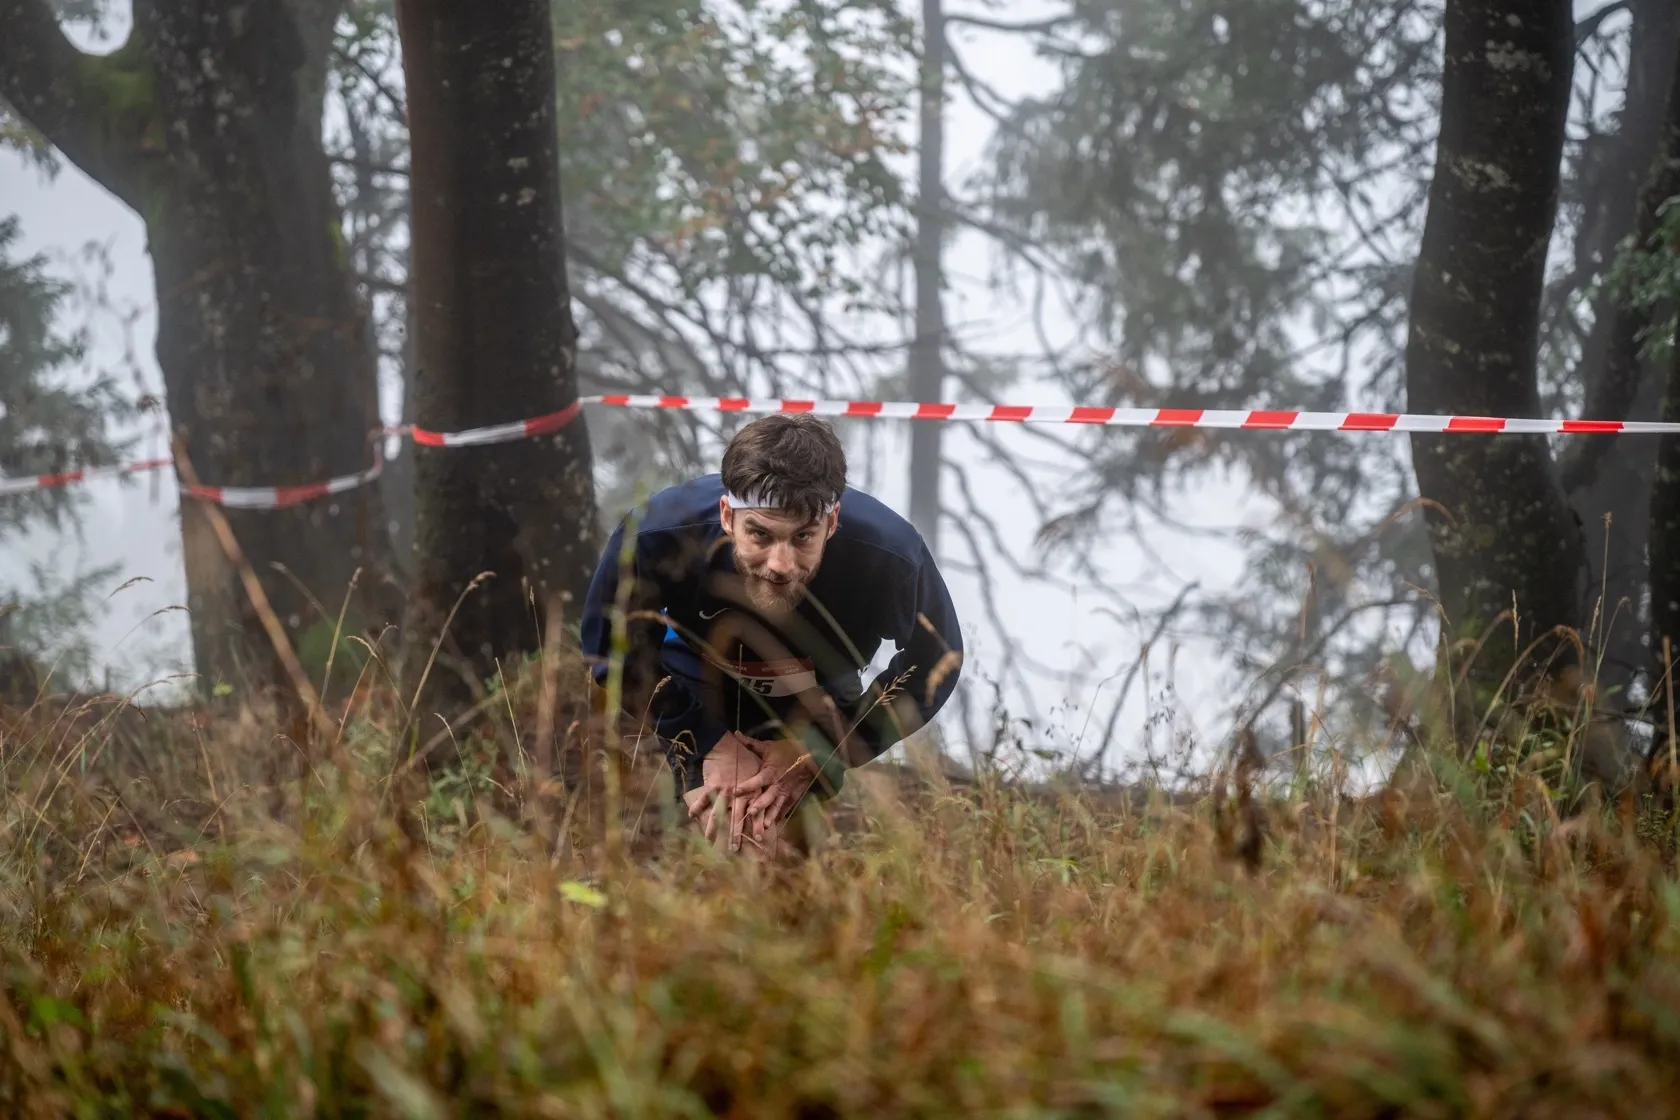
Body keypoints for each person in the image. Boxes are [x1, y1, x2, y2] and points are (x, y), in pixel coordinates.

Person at [579, 413, 963, 852]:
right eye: (760, 535)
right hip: (700, 677)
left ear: (832, 523)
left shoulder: (889, 553)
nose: (781, 565)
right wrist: (707, 740)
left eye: (803, 538)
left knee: (776, 842)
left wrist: (827, 745)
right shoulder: (659, 533)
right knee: (739, 835)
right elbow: (609, 645)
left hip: (816, 692)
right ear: (728, 516)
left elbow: (937, 657)